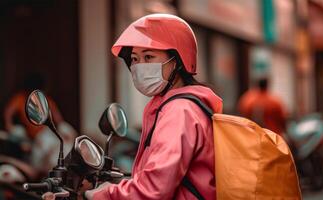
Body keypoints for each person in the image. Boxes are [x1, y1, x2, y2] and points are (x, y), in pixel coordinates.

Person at [84, 13, 223, 200]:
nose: (139, 67)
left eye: (148, 57)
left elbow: (154, 189)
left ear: (177, 61)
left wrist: (107, 194)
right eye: (134, 59)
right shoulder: (179, 105)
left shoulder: (180, 111)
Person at [4, 73, 63, 140]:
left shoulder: (45, 99)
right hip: (31, 138)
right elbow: (8, 112)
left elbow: (59, 120)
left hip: (47, 134)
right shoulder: (20, 98)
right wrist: (10, 127)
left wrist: (62, 130)